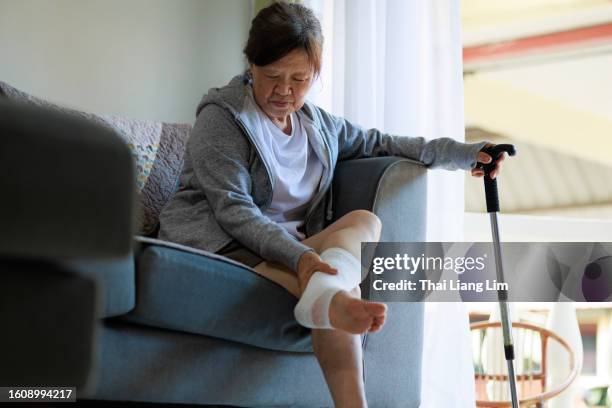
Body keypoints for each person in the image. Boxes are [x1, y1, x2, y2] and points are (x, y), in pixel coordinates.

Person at [158, 2, 504, 407]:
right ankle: (337, 319)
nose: (285, 91)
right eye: (272, 76)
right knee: (330, 285)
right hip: (225, 244)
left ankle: (331, 295)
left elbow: (385, 142)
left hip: (294, 249)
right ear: (251, 64)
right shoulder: (223, 117)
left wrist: (465, 154)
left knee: (363, 222)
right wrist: (302, 260)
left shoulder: (317, 126)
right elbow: (233, 210)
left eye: (300, 79)